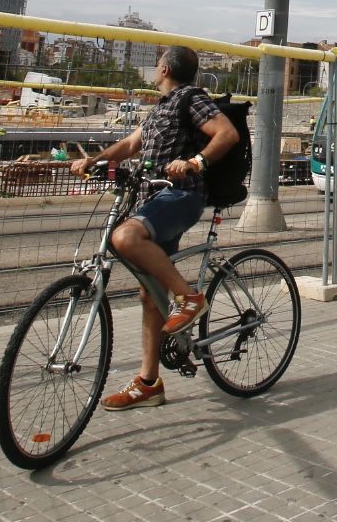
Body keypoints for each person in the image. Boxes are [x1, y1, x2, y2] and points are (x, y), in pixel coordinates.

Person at [72, 44, 243, 410]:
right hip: (152, 199)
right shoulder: (159, 110)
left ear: (164, 68)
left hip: (180, 196)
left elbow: (227, 134)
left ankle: (190, 298)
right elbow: (131, 144)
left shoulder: (190, 99)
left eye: (156, 64)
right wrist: (94, 161)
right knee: (150, 292)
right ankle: (149, 383)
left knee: (125, 237)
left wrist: (195, 162)